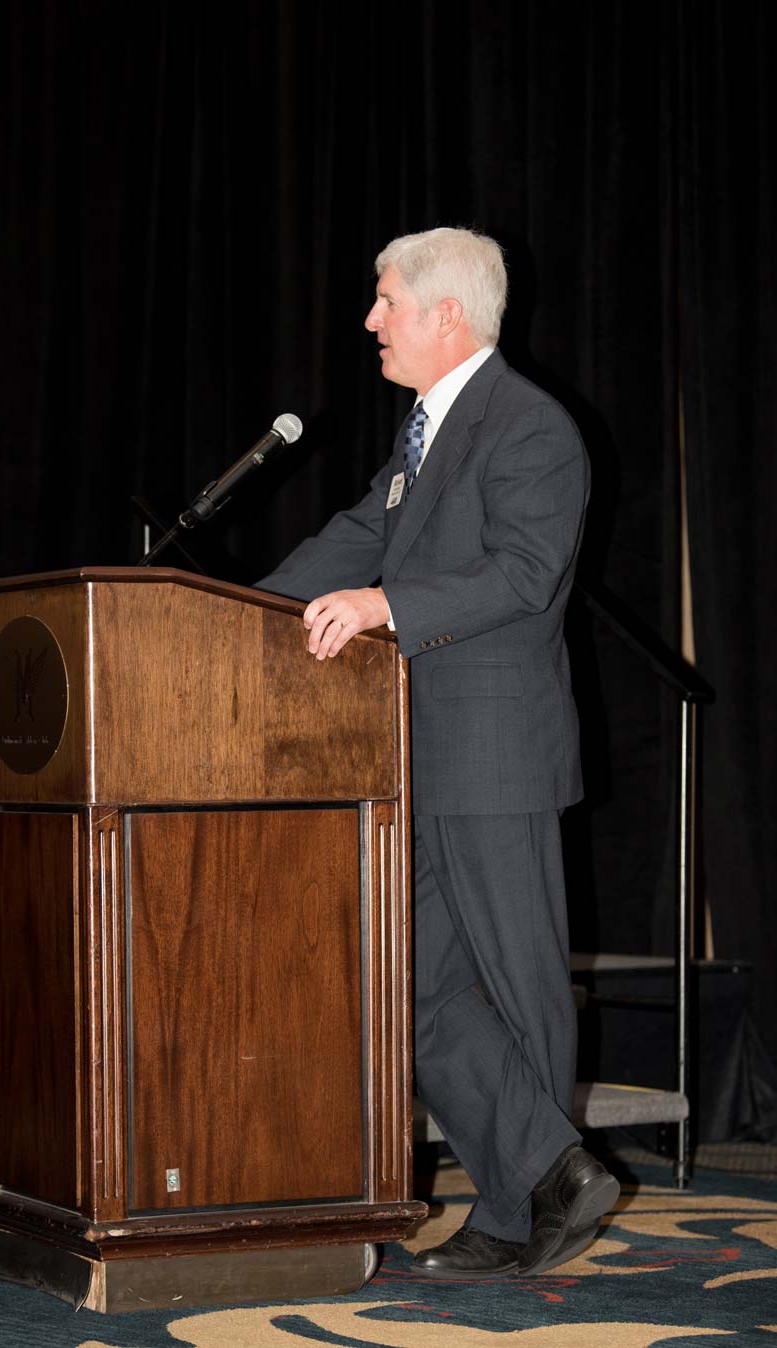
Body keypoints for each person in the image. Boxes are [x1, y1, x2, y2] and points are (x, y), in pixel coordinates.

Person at [257, 226, 619, 1279]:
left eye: (384, 301)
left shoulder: (530, 428)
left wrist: (387, 606)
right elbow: (352, 535)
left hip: (497, 753)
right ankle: (550, 1174)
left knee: (517, 989)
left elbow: (525, 574)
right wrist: (226, 612)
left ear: (443, 313)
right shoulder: (425, 435)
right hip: (423, 756)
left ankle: (517, 1217)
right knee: (403, 981)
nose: (370, 321)